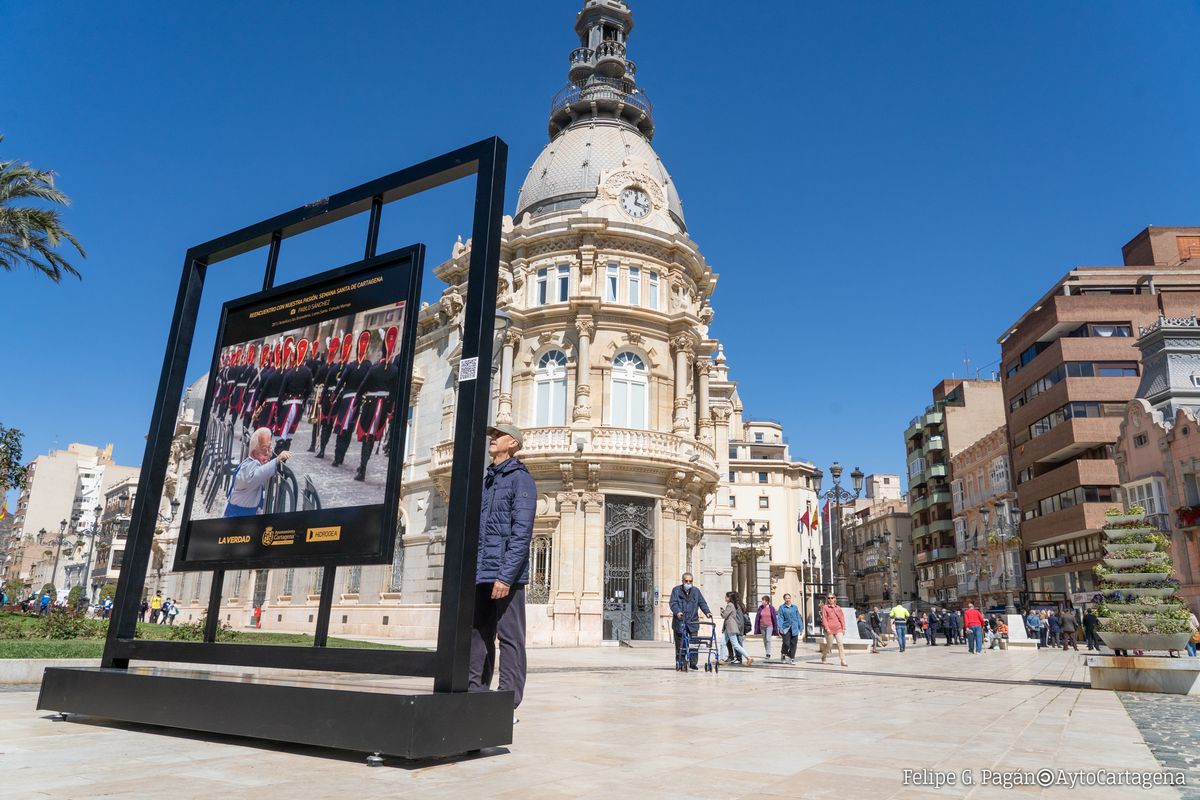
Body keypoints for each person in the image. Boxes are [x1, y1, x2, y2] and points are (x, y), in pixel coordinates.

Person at [469, 423, 536, 722]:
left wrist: (505, 577)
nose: (492, 439)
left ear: (513, 443)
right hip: (482, 572)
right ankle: (475, 694)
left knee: (509, 638)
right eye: (492, 435)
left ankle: (507, 701)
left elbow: (522, 533)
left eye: (498, 435)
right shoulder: (488, 480)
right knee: (478, 634)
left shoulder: (521, 480)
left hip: (506, 577)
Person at [224, 428, 291, 516]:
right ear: (253, 452)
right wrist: (276, 460)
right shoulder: (248, 467)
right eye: (264, 449)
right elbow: (258, 475)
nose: (267, 453)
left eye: (269, 448)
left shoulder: (255, 461)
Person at [669, 572, 712, 670]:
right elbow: (673, 603)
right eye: (686, 581)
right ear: (682, 581)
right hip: (680, 622)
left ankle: (693, 662)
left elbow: (702, 603)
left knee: (694, 643)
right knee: (680, 644)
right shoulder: (676, 590)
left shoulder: (696, 591)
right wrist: (677, 612)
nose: (688, 583)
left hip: (693, 621)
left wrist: (707, 612)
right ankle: (680, 661)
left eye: (690, 581)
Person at [720, 591, 753, 666]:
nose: (725, 598)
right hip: (729, 627)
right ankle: (722, 659)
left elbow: (725, 616)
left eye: (726, 596)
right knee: (723, 643)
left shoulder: (730, 605)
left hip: (730, 627)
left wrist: (722, 612)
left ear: (729, 598)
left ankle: (748, 657)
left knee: (735, 644)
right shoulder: (733, 605)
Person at [819, 594, 847, 667]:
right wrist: (827, 628)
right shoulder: (825, 607)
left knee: (840, 644)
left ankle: (843, 660)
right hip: (829, 629)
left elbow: (842, 618)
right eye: (829, 598)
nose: (830, 599)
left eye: (832, 598)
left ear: (835, 599)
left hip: (838, 629)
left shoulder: (838, 608)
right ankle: (824, 656)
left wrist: (843, 628)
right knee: (829, 645)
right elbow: (824, 619)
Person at [776, 593, 802, 664]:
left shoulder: (795, 607)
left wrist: (801, 627)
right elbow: (780, 618)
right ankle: (783, 653)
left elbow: (798, 617)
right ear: (784, 599)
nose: (788, 599)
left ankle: (792, 658)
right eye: (786, 598)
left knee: (794, 644)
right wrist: (780, 627)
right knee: (786, 643)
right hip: (786, 628)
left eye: (789, 598)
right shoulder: (782, 607)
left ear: (790, 598)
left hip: (794, 627)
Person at [754, 595, 777, 660]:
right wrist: (756, 627)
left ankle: (768, 653)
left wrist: (776, 627)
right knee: (764, 640)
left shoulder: (771, 608)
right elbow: (757, 617)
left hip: (770, 626)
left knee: (768, 639)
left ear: (767, 601)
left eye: (763, 600)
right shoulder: (760, 608)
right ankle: (767, 652)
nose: (762, 602)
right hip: (762, 626)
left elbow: (774, 618)